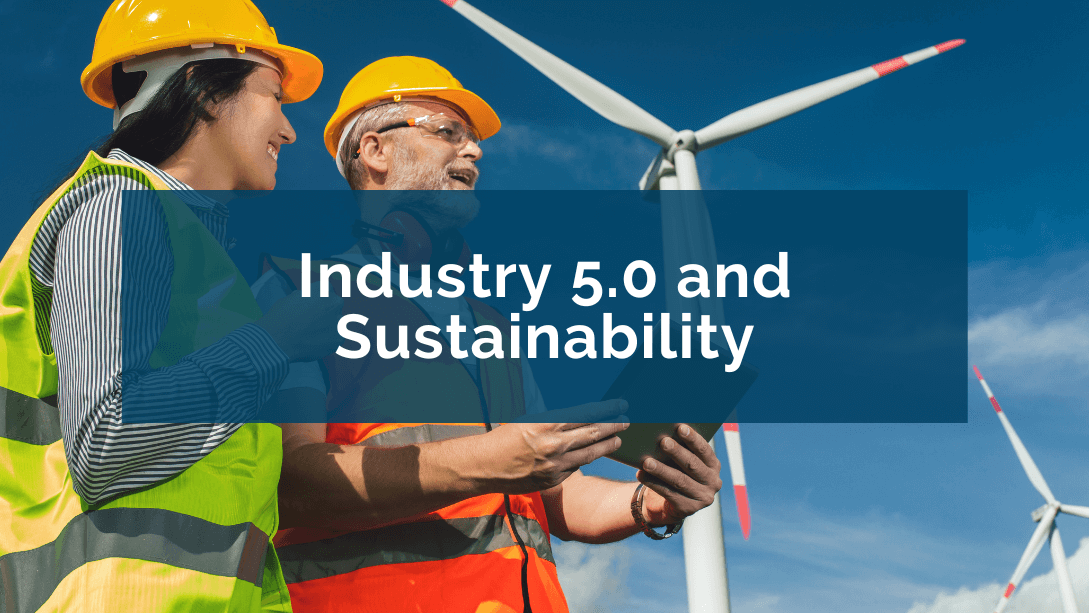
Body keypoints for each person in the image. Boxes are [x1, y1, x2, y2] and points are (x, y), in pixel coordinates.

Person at [259, 57, 724, 612]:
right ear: (375, 150)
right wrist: (492, 458)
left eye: (474, 139)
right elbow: (286, 482)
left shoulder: (493, 330)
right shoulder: (295, 292)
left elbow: (549, 496)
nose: (474, 151)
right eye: (447, 132)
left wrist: (649, 503)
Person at [0, 0, 337, 610]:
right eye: (274, 97)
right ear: (204, 91)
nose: (289, 129)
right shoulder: (117, 208)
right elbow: (108, 440)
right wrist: (278, 342)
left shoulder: (189, 249)